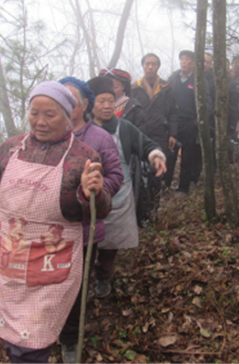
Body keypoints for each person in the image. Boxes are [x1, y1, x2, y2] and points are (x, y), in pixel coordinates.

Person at [0, 81, 111, 364]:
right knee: (10, 332)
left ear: (67, 116)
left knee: (32, 340)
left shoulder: (83, 156)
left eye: (49, 115)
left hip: (50, 261)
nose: (39, 122)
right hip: (5, 254)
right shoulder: (11, 148)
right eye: (34, 113)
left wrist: (89, 192)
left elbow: (100, 210)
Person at [57, 76, 124, 363]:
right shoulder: (47, 136)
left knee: (75, 287)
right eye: (61, 99)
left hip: (83, 231)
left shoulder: (99, 138)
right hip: (49, 231)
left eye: (72, 101)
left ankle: (69, 340)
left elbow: (115, 176)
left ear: (86, 104)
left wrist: (96, 191)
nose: (66, 106)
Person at [87, 76, 166, 299]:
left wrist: (155, 156)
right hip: (87, 197)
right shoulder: (83, 130)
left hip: (119, 196)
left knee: (111, 243)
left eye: (111, 101)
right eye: (101, 101)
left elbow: (147, 144)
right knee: (87, 242)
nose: (107, 106)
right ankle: (82, 279)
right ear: (91, 103)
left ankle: (103, 277)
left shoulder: (125, 127)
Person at [131, 53, 178, 192]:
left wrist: (173, 134)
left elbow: (173, 113)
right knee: (140, 165)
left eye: (153, 64)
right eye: (147, 64)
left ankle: (156, 197)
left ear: (158, 66)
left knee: (158, 165)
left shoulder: (166, 88)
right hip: (140, 131)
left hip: (160, 132)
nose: (150, 67)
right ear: (143, 66)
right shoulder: (135, 88)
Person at [168, 50, 212, 195]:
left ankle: (183, 188)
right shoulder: (173, 78)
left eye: (187, 59)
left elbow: (207, 104)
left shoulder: (199, 80)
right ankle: (166, 184)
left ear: (193, 63)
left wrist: (199, 122)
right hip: (173, 122)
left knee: (187, 157)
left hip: (190, 123)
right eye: (182, 59)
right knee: (170, 154)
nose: (184, 62)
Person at [98, 68, 147, 134]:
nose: (110, 90)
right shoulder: (95, 106)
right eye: (106, 86)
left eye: (115, 87)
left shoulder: (134, 108)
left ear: (123, 86)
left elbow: (140, 136)